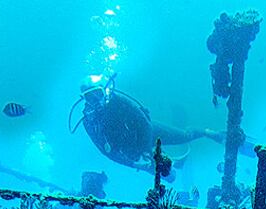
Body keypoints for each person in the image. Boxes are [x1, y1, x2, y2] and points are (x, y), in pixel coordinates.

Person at [71, 74, 223, 177]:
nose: (95, 100)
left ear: (105, 91)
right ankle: (173, 163)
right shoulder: (89, 121)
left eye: (97, 94)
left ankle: (207, 132)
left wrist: (146, 151)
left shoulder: (118, 100)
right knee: (169, 177)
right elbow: (108, 153)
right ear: (84, 99)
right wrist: (139, 166)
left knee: (184, 136)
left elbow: (144, 123)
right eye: (89, 97)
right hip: (130, 150)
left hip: (148, 132)